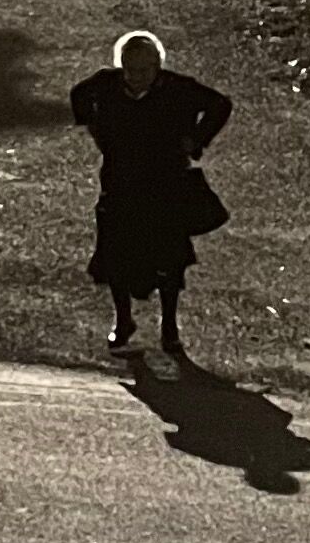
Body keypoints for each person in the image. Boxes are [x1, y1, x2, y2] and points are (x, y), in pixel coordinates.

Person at [70, 31, 232, 355]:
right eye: (130, 69)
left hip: (165, 184)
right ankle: (123, 321)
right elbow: (78, 95)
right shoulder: (106, 85)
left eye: (144, 70)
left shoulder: (177, 89)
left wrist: (197, 140)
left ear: (157, 66)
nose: (136, 77)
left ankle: (169, 327)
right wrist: (95, 128)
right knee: (115, 255)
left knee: (169, 260)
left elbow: (220, 105)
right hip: (120, 181)